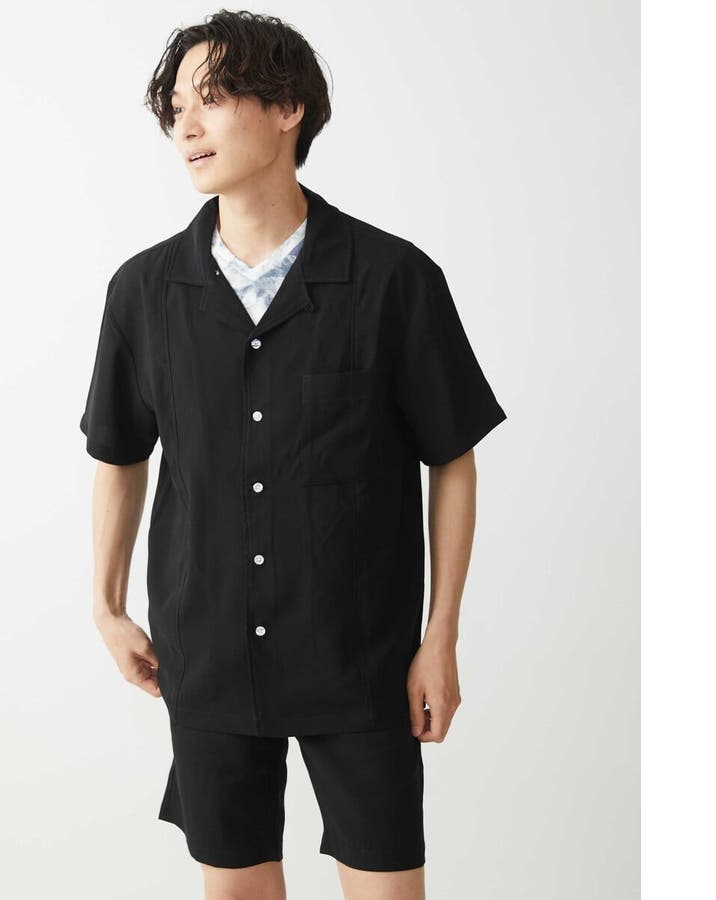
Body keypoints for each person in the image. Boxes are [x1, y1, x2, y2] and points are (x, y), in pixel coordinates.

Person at [79, 10, 507, 900]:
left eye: (212, 98)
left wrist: (441, 636)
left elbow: (451, 457)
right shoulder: (145, 291)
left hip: (362, 656)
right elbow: (120, 454)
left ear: (287, 110)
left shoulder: (393, 280)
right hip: (207, 654)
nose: (186, 127)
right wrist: (107, 606)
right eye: (176, 108)